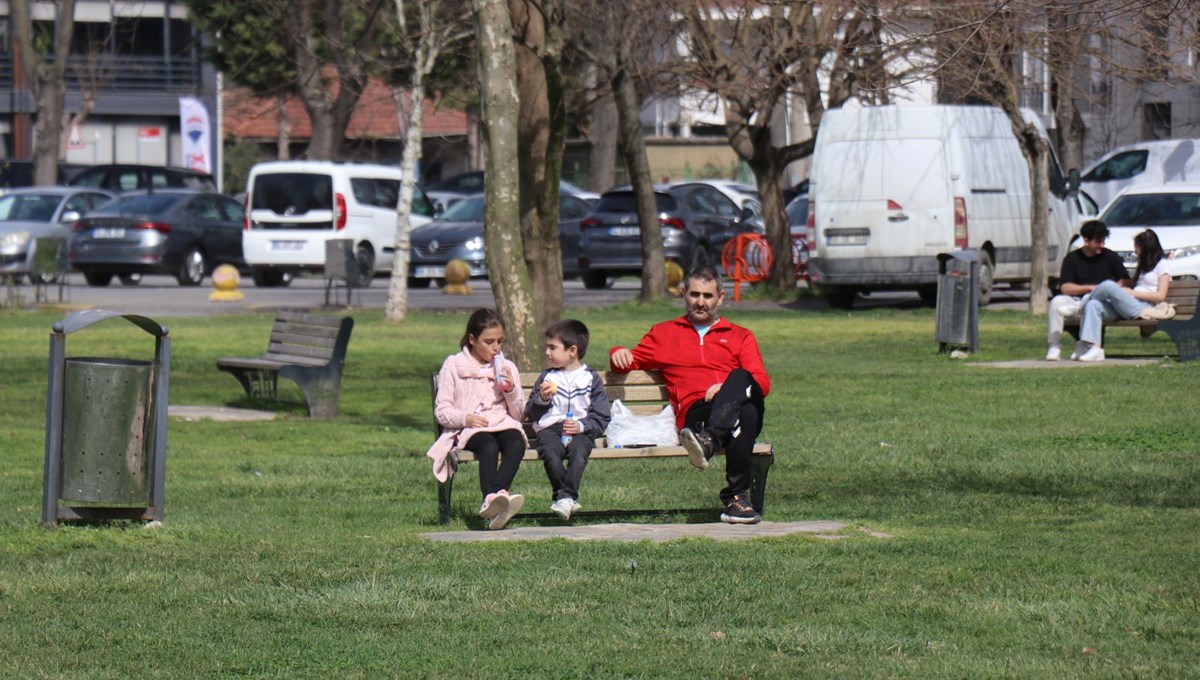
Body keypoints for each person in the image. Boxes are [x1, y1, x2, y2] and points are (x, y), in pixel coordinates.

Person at [609, 266, 771, 525]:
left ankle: (709, 441)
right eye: (695, 294)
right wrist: (617, 351)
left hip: (722, 416)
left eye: (708, 296)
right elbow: (628, 361)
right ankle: (735, 498)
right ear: (683, 294)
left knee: (741, 378)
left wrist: (726, 388)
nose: (700, 302)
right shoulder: (664, 334)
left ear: (720, 298)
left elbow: (761, 382)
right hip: (697, 414)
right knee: (747, 413)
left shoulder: (740, 336)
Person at [426, 308, 527, 530]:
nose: (495, 348)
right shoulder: (454, 364)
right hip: (470, 428)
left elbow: (519, 415)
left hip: (502, 422)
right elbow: (442, 410)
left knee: (516, 441)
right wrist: (466, 419)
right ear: (472, 339)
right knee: (488, 446)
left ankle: (493, 498)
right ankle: (496, 500)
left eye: (500, 341)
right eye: (489, 341)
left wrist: (510, 390)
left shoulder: (507, 367)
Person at [525, 320, 612, 521]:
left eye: (552, 347)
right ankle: (566, 497)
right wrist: (543, 399)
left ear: (572, 351)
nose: (547, 352)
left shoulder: (590, 378)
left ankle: (564, 498)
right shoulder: (547, 377)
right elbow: (531, 411)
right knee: (551, 452)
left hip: (580, 429)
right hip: (551, 429)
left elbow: (602, 415)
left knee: (579, 452)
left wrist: (582, 425)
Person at [1076, 229, 1171, 362]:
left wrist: (1132, 293)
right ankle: (1094, 348)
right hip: (1128, 306)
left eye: (1136, 246)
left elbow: (1161, 296)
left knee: (1108, 285)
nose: (1135, 250)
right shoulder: (1143, 265)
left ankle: (1080, 304)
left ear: (1145, 246)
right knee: (1094, 305)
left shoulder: (1162, 264)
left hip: (1142, 308)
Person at [1046, 219, 1130, 361]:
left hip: (1101, 303)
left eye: (1103, 241)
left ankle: (1081, 310)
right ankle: (1054, 346)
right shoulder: (1072, 259)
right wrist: (1090, 288)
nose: (1101, 245)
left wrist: (1114, 286)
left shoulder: (1110, 257)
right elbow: (1065, 287)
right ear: (1086, 240)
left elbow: (1126, 280)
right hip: (1074, 300)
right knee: (1056, 303)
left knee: (1090, 300)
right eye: (1098, 241)